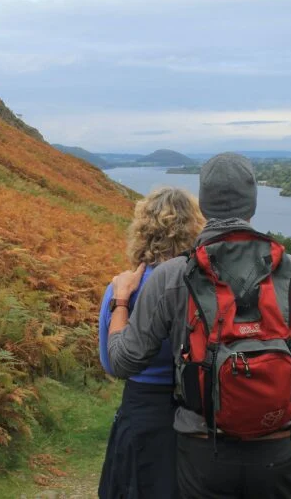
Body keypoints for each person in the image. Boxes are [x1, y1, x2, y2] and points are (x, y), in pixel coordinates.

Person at [107, 153, 291, 499]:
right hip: (276, 448)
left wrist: (120, 302)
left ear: (205, 207)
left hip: (202, 448)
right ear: (252, 204)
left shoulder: (173, 275)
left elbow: (123, 361)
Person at [98, 187, 205, 499]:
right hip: (195, 410)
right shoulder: (204, 285)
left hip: (142, 410)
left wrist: (120, 303)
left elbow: (110, 362)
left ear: (142, 231)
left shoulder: (124, 288)